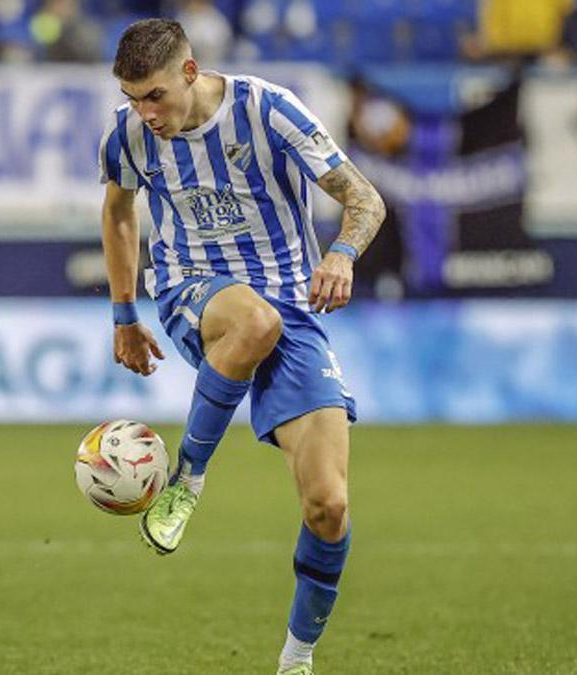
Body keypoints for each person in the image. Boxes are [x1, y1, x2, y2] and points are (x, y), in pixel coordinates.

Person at [97, 19, 385, 675]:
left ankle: (296, 659)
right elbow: (117, 211)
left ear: (191, 74)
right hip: (190, 289)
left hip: (290, 303)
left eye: (155, 97)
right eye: (133, 97)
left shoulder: (268, 109)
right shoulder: (130, 135)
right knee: (254, 324)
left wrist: (341, 253)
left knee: (329, 503)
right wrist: (123, 312)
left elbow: (364, 200)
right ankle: (187, 480)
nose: (145, 113)